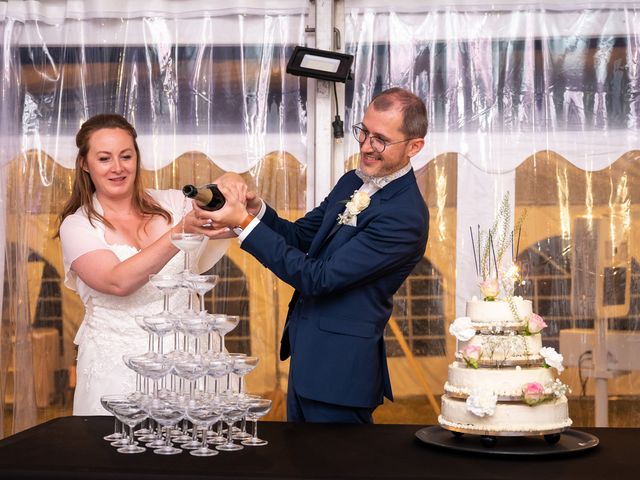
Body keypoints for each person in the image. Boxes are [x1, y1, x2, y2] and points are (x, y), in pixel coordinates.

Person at [188, 87, 429, 423]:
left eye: (380, 139)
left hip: (341, 373)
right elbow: (303, 237)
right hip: (308, 360)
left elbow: (318, 278)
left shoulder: (404, 216)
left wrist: (243, 224)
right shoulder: (352, 182)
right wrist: (257, 212)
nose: (365, 146)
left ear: (414, 146)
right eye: (363, 132)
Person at [57, 114, 228, 415]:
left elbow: (227, 216)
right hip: (117, 368)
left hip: (191, 360)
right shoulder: (77, 226)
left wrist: (232, 185)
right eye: (104, 158)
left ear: (137, 157)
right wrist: (181, 232)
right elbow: (116, 282)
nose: (118, 168)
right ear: (85, 164)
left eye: (126, 156)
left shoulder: (174, 204)